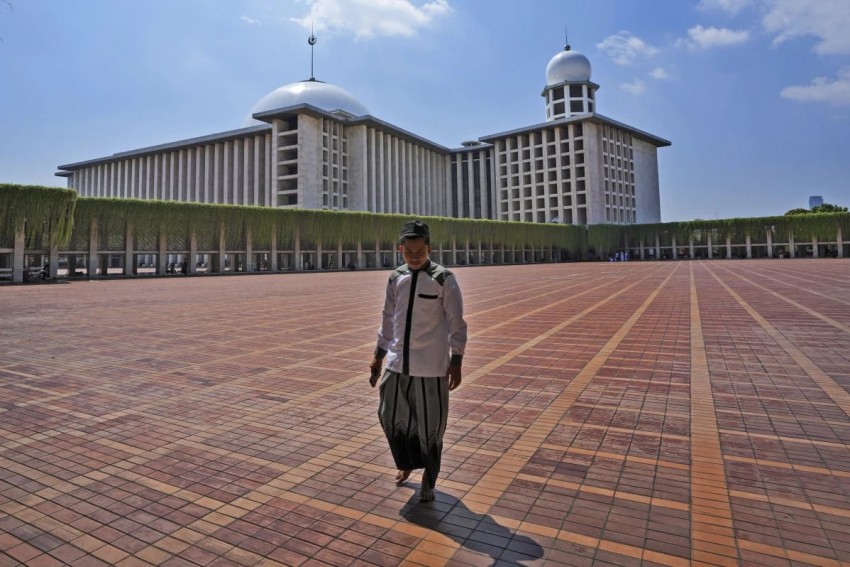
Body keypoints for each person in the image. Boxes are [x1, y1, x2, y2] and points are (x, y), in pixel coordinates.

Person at [369, 220, 467, 502]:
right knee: (390, 416)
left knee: (430, 427)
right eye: (408, 251)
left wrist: (456, 361)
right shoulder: (395, 278)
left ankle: (429, 478)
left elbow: (457, 324)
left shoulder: (443, 278)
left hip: (431, 367)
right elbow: (388, 320)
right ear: (401, 249)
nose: (413, 255)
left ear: (429, 248)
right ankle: (408, 460)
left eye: (419, 250)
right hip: (397, 364)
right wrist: (378, 356)